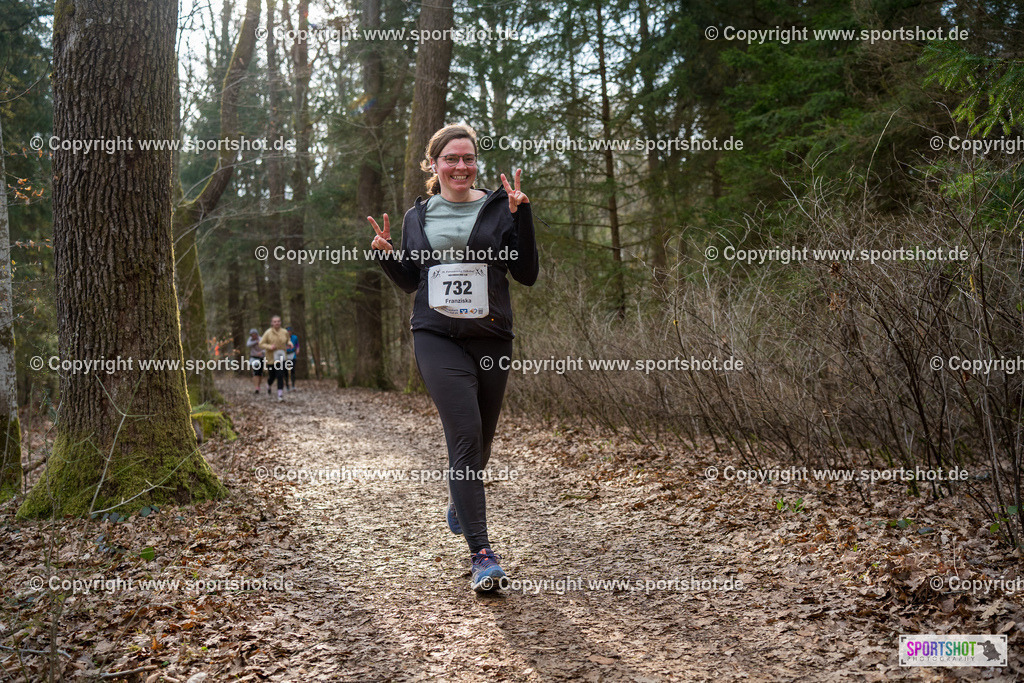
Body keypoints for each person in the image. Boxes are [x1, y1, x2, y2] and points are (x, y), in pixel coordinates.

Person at [369, 123, 538, 592]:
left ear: (476, 163)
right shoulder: (416, 216)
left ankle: (460, 503)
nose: (460, 167)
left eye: (468, 158)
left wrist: (523, 216)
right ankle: (483, 555)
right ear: (434, 165)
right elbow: (410, 281)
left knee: (480, 440)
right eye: (450, 159)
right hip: (436, 335)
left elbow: (526, 274)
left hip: (491, 337)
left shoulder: (501, 206)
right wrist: (386, 255)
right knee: (464, 437)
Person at [259, 315, 292, 401]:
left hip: (282, 357)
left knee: (280, 374)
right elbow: (261, 344)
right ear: (272, 323)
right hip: (271, 358)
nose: (277, 323)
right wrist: (270, 346)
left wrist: (289, 343)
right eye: (275, 321)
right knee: (272, 376)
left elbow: (288, 340)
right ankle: (269, 384)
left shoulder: (284, 331)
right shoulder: (268, 332)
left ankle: (280, 395)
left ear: (280, 322)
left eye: (278, 321)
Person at [246, 328, 265, 394]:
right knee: (255, 372)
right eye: (252, 335)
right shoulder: (250, 340)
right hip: (253, 357)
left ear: (257, 334)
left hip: (261, 357)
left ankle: (258, 386)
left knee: (260, 373)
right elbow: (248, 345)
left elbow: (266, 348)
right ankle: (256, 387)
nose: (253, 336)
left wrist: (262, 352)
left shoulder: (261, 339)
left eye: (255, 334)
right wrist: (255, 342)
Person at [286, 326, 299, 390]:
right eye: (288, 331)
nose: (289, 333)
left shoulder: (295, 337)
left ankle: (293, 385)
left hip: (292, 354)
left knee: (292, 370)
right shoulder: (283, 338)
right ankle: (287, 385)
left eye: (290, 331)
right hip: (285, 355)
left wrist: (297, 349)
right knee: (285, 371)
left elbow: (297, 345)